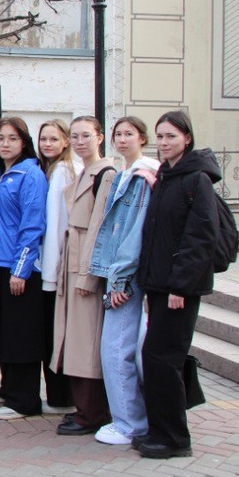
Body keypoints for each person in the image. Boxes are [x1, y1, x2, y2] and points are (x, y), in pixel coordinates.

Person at [135, 110, 219, 459]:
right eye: (161, 137)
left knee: (161, 358)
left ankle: (175, 439)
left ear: (187, 138)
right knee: (157, 358)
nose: (165, 143)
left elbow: (199, 238)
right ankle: (160, 430)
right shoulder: (167, 177)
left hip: (179, 288)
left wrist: (179, 288)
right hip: (158, 285)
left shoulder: (195, 179)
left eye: (171, 136)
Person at [88, 116, 158, 447]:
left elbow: (134, 233)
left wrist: (120, 280)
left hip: (125, 276)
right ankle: (133, 418)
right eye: (118, 134)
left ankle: (129, 422)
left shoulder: (143, 175)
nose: (122, 139)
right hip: (117, 271)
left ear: (142, 138)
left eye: (129, 134)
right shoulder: (125, 173)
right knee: (125, 349)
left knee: (116, 350)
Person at [49, 116, 117, 436]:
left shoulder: (106, 173)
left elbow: (99, 229)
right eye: (74, 136)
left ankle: (93, 413)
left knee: (85, 343)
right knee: (74, 341)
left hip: (85, 268)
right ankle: (84, 409)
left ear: (99, 138)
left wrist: (88, 276)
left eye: (85, 135)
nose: (78, 141)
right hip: (71, 264)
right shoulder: (83, 172)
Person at [0, 117, 48, 422]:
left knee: (21, 335)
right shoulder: (3, 173)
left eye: (12, 138)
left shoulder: (30, 175)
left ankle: (25, 399)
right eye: (0, 139)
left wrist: (20, 270)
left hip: (18, 269)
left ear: (24, 142)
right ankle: (9, 388)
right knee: (4, 332)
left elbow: (32, 225)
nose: (5, 144)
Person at [36, 119, 77, 415]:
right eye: (43, 139)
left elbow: (56, 225)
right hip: (51, 265)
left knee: (54, 334)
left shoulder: (62, 171)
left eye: (54, 139)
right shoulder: (50, 170)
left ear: (65, 142)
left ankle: (61, 397)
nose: (47, 144)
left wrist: (50, 273)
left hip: (54, 268)